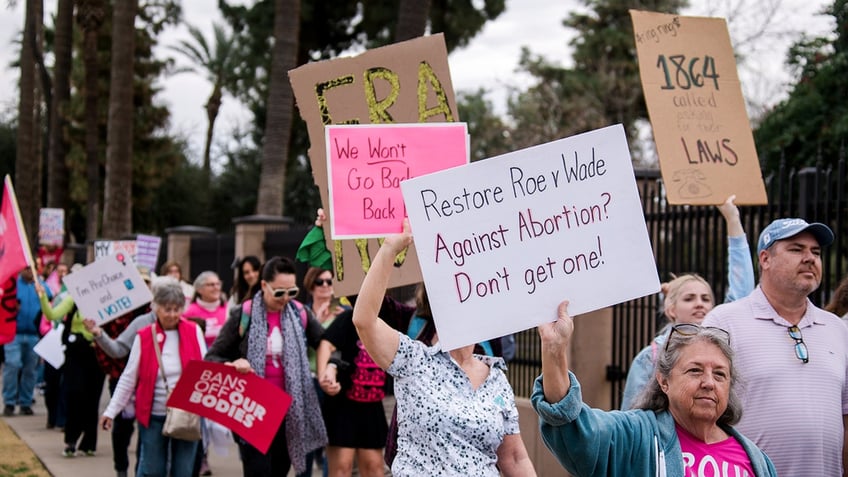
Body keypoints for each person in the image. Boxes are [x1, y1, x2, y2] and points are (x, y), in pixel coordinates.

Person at [351, 220, 535, 476]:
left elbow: (514, 458)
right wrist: (390, 248)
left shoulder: (497, 379)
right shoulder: (414, 360)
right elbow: (364, 320)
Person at [533, 303, 777, 476]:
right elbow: (573, 428)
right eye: (695, 370)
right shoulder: (634, 436)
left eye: (720, 374)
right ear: (664, 381)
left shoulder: (757, 461)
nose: (709, 382)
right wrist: (554, 351)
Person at [702, 217, 848, 476]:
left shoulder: (838, 329)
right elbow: (701, 411)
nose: (809, 258)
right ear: (765, 259)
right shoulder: (724, 321)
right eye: (796, 249)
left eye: (815, 252)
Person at [620, 196, 754, 409]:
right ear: (670, 309)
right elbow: (631, 416)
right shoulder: (650, 358)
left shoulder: (721, 338)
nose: (699, 304)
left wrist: (733, 219)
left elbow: (742, 290)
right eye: (689, 298)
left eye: (706, 298)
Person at [205, 256, 327, 476]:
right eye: (279, 292)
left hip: (289, 412)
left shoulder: (300, 314)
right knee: (258, 470)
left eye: (292, 292)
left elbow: (327, 343)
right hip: (251, 411)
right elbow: (213, 357)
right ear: (263, 285)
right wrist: (234, 363)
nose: (286, 298)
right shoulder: (244, 314)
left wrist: (331, 367)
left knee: (279, 469)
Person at [100, 279, 206, 477]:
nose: (172, 314)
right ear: (155, 308)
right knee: (153, 469)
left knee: (183, 470)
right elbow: (129, 377)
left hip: (186, 413)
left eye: (177, 309)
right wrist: (111, 411)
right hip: (153, 414)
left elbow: (205, 370)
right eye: (167, 309)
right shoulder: (144, 336)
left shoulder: (194, 331)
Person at [36, 269, 106, 457]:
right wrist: (43, 297)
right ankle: (71, 441)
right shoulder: (71, 299)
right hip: (76, 354)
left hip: (97, 354)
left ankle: (89, 442)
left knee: (92, 399)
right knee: (75, 395)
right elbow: (51, 315)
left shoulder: (105, 299)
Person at [3, 267, 49, 417]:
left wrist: (42, 291)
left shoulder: (40, 284)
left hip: (33, 335)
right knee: (12, 365)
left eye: (32, 269)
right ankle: (9, 401)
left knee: (30, 370)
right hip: (14, 334)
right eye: (27, 269)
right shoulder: (14, 284)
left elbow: (50, 298)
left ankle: (26, 402)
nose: (29, 272)